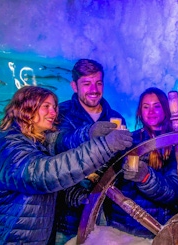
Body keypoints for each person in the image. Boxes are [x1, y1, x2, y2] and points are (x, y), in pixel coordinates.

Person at [0, 86, 133, 245]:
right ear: (27, 107)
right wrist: (105, 146)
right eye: (46, 107)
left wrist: (81, 197)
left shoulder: (38, 141)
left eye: (54, 107)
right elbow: (43, 175)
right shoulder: (9, 142)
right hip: (4, 238)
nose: (54, 112)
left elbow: (62, 143)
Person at [54, 59, 128, 244]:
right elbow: (55, 148)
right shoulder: (59, 114)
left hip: (106, 208)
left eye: (98, 83)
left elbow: (119, 162)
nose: (94, 89)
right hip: (67, 215)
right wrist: (89, 134)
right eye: (86, 84)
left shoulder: (116, 117)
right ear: (74, 86)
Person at [103, 87, 178, 238]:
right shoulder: (129, 140)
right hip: (124, 226)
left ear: (166, 108)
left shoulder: (177, 143)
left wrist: (146, 177)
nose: (151, 112)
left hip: (158, 227)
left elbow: (173, 193)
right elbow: (111, 179)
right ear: (140, 111)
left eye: (156, 106)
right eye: (146, 107)